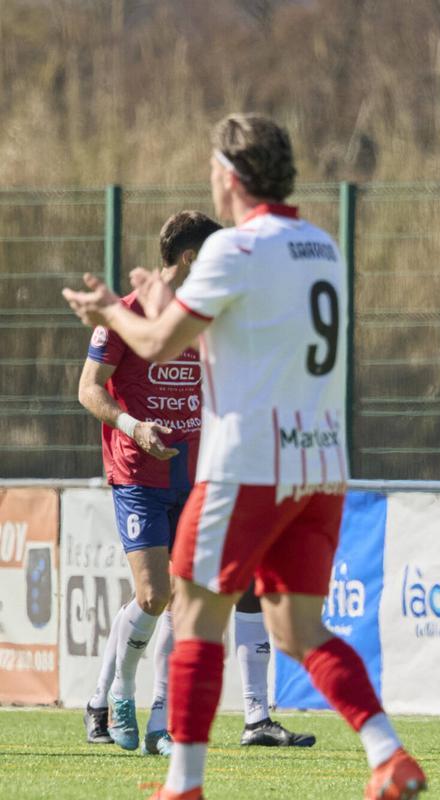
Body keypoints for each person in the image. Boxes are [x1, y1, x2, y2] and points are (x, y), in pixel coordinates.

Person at [64, 113, 425, 800]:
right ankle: (387, 753)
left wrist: (112, 310)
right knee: (298, 628)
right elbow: (255, 341)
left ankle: (184, 784)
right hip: (318, 465)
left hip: (248, 464)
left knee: (194, 612)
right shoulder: (322, 247)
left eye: (211, 169)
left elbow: (159, 344)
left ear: (230, 176)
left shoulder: (233, 251)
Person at [80, 211, 315, 756]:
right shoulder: (128, 317)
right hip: (138, 472)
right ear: (190, 259)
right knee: (154, 595)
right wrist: (133, 426)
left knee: (183, 600)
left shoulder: (211, 319)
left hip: (199, 476)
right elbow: (89, 389)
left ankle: (161, 722)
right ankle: (116, 691)